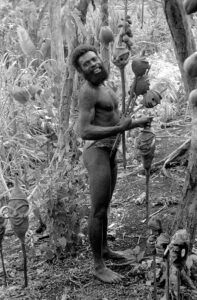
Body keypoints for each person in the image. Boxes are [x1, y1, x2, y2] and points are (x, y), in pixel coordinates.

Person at [71, 45, 152, 283]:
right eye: (86, 64)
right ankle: (98, 266)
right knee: (97, 210)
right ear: (81, 71)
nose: (93, 64)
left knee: (105, 206)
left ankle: (105, 250)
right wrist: (119, 129)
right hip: (97, 151)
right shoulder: (88, 92)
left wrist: (138, 122)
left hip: (110, 149)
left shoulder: (105, 86)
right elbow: (83, 130)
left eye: (94, 59)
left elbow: (117, 119)